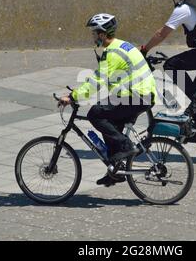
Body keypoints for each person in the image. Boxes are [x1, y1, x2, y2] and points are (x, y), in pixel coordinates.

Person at [59, 13, 156, 187]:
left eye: (94, 32)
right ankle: (114, 171)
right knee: (109, 125)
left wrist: (73, 97)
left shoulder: (111, 54)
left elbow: (97, 81)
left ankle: (127, 146)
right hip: (141, 94)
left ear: (103, 34)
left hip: (136, 96)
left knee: (96, 114)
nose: (93, 36)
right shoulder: (123, 45)